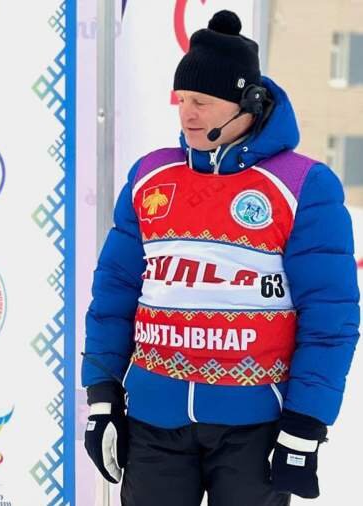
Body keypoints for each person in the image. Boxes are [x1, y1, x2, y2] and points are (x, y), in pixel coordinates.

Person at [82, 10, 359, 506]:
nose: (187, 114)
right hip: (153, 420)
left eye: (202, 102)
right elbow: (114, 294)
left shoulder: (303, 186)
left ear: (247, 102)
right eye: (182, 100)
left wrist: (305, 423)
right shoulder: (150, 177)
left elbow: (329, 316)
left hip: (255, 428)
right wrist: (102, 395)